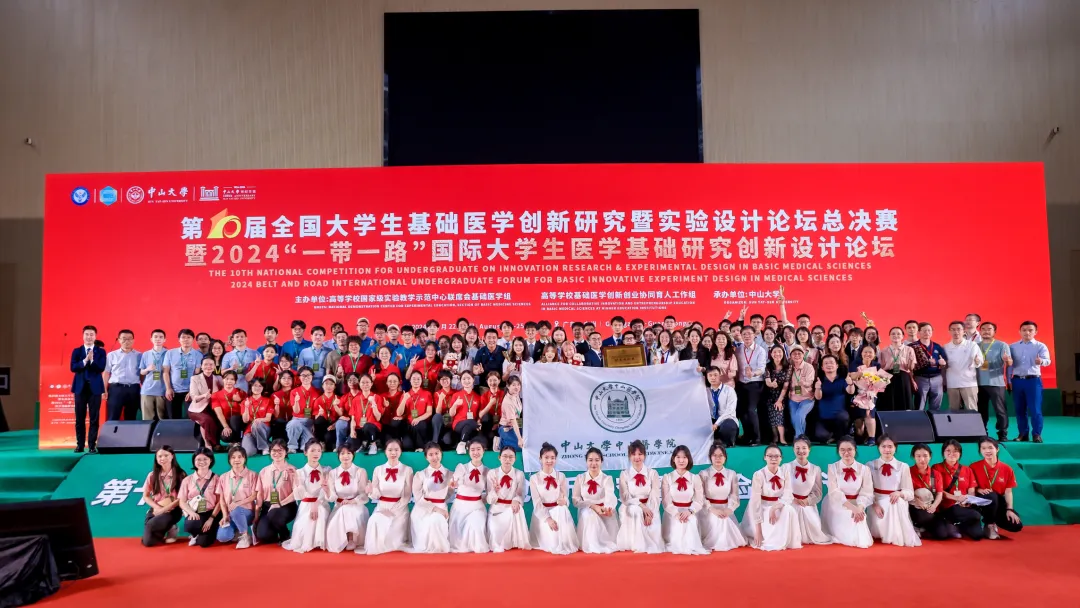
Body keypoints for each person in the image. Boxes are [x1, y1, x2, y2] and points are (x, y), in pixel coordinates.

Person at [741, 444, 801, 551]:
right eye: (770, 456)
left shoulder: (785, 472)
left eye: (777, 456)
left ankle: (786, 540)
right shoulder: (758, 475)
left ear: (781, 458)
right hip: (762, 507)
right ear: (765, 457)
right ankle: (770, 537)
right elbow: (755, 502)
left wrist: (775, 507)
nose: (773, 459)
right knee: (766, 536)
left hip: (778, 505)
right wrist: (758, 531)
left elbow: (788, 494)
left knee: (789, 509)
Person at [866, 435, 920, 547]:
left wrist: (899, 493)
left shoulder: (903, 466)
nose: (887, 449)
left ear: (895, 448)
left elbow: (910, 493)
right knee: (893, 503)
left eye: (890, 446)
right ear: (878, 448)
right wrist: (874, 505)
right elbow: (867, 491)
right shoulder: (870, 465)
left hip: (895, 501)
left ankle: (897, 536)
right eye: (883, 446)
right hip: (876, 502)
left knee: (896, 502)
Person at [821, 437, 874, 548]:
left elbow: (867, 492)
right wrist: (852, 508)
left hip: (857, 503)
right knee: (849, 521)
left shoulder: (865, 469)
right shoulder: (832, 467)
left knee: (859, 522)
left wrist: (859, 508)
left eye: (849, 449)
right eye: (842, 450)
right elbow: (834, 492)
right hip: (837, 504)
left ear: (855, 450)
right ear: (838, 451)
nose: (846, 453)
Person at [365, 438, 413, 555]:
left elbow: (407, 496)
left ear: (401, 451)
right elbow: (376, 494)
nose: (393, 453)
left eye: (396, 450)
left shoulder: (407, 470)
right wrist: (370, 491)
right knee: (375, 521)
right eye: (390, 450)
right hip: (382, 507)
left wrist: (393, 510)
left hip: (400, 509)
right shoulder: (378, 469)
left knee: (393, 542)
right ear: (385, 452)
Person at [529, 442, 579, 554]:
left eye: (552, 458)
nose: (549, 460)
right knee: (552, 543)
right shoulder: (534, 478)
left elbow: (565, 497)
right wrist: (548, 519)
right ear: (540, 459)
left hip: (559, 513)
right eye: (546, 457)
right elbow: (537, 502)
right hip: (543, 515)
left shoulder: (561, 476)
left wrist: (564, 501)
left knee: (561, 510)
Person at [282, 439, 331, 553]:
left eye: (318, 450)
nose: (316, 453)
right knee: (307, 519)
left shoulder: (327, 470)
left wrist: (316, 503)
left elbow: (327, 491)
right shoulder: (299, 472)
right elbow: (299, 495)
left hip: (322, 503)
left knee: (321, 512)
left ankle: (320, 541)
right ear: (305, 452)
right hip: (305, 505)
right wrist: (297, 479)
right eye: (312, 450)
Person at [782, 436, 831, 545]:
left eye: (804, 448)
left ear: (809, 449)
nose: (801, 451)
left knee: (815, 531)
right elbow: (781, 489)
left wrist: (807, 501)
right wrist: (792, 499)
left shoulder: (815, 469)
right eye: (797, 448)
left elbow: (818, 492)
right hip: (790, 504)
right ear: (793, 449)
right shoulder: (786, 467)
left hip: (807, 505)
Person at [697, 443, 746, 552]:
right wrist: (712, 509)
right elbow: (700, 496)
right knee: (719, 520)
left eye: (721, 455)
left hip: (725, 509)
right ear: (710, 457)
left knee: (724, 518)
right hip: (708, 510)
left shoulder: (731, 474)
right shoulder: (703, 474)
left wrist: (730, 509)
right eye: (715, 455)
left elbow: (734, 495)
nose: (718, 458)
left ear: (725, 457)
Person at [972, 437, 1024, 539]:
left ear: (997, 449)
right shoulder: (974, 467)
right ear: (980, 451)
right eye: (983, 448)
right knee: (991, 496)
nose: (987, 451)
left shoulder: (1007, 469)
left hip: (998, 501)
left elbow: (1008, 492)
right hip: (979, 501)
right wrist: (979, 490)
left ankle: (994, 520)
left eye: (990, 448)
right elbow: (970, 488)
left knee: (1016, 525)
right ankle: (989, 525)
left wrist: (1010, 509)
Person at [661, 445, 709, 554]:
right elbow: (666, 501)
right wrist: (676, 514)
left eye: (684, 457)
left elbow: (699, 500)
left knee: (690, 521)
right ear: (673, 459)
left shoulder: (695, 478)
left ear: (689, 459)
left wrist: (690, 511)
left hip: (690, 511)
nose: (681, 460)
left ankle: (690, 545)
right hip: (672, 513)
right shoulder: (667, 478)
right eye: (678, 457)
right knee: (678, 523)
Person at [933, 440, 983, 539]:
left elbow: (971, 490)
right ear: (943, 453)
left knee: (978, 535)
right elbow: (938, 491)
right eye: (948, 450)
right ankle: (948, 522)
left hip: (964, 505)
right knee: (976, 515)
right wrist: (956, 498)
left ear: (960, 453)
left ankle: (958, 526)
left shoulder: (967, 470)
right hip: (947, 506)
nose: (952, 453)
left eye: (955, 451)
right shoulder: (936, 468)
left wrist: (968, 500)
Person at [1009, 321, 1051, 442]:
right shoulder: (1013, 346)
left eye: (1030, 330)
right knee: (1019, 409)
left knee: (1035, 409)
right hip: (1017, 380)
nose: (1027, 332)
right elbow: (1010, 365)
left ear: (1035, 332)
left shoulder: (1040, 346)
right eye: (1024, 330)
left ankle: (1036, 434)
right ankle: (1023, 434)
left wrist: (1041, 361)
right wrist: (1009, 379)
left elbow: (1047, 361)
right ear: (1019, 331)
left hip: (1033, 380)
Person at [572, 448, 618, 554]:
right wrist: (592, 506)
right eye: (590, 460)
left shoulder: (607, 478)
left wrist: (608, 509)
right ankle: (592, 545)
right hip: (586, 510)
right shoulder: (580, 478)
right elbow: (576, 500)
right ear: (586, 461)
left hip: (603, 510)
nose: (594, 463)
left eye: (597, 460)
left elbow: (610, 496)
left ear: (601, 461)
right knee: (589, 514)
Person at [326, 443, 370, 553]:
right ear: (338, 455)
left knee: (347, 510)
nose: (345, 456)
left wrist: (352, 501)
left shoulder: (360, 471)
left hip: (356, 505)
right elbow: (332, 496)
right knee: (343, 510)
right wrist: (326, 490)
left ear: (353, 454)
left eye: (349, 453)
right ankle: (341, 539)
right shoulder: (332, 473)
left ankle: (351, 539)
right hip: (339, 506)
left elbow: (363, 495)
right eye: (342, 453)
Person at [486, 446, 530, 553]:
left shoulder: (519, 474)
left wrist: (516, 500)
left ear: (515, 459)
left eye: (511, 457)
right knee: (495, 536)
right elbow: (489, 499)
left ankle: (515, 542)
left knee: (518, 508)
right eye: (505, 456)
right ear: (499, 457)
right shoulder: (492, 473)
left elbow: (520, 494)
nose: (507, 460)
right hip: (496, 510)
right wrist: (495, 491)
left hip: (511, 508)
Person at [71, 325, 107, 453]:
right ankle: (80, 445)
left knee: (94, 418)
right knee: (79, 418)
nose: (89, 337)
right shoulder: (77, 351)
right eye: (87, 334)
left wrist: (92, 361)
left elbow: (101, 367)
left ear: (95, 336)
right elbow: (73, 367)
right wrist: (85, 360)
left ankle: (92, 445)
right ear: (83, 336)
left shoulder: (101, 352)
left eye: (92, 334)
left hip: (95, 388)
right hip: (80, 388)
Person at [449, 439, 489, 552]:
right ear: (468, 451)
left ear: (483, 450)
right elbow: (455, 480)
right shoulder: (462, 467)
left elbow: (489, 494)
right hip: (460, 507)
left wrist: (485, 498)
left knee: (476, 523)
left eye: (478, 449)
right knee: (458, 541)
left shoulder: (487, 471)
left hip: (477, 507)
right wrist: (454, 483)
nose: (476, 452)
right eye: (472, 450)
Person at [255, 439, 299, 545]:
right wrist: (256, 514)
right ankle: (274, 530)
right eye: (274, 450)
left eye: (280, 450)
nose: (277, 453)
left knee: (274, 514)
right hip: (267, 506)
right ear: (270, 452)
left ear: (286, 452)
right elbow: (260, 494)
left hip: (286, 505)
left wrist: (279, 504)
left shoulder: (292, 470)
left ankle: (285, 535)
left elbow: (296, 493)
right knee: (263, 535)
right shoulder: (264, 471)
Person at [141, 446, 185, 546]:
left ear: (172, 456)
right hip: (157, 508)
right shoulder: (152, 475)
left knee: (150, 524)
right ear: (156, 458)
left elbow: (182, 498)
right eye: (160, 456)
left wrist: (163, 510)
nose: (163, 458)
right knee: (148, 542)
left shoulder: (180, 474)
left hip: (174, 510)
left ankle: (171, 527)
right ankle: (166, 527)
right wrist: (157, 508)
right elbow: (146, 496)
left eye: (166, 455)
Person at [176, 447, 220, 547]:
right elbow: (182, 501)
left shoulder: (217, 478)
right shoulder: (187, 480)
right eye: (198, 459)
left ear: (211, 460)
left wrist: (211, 518)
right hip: (195, 511)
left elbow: (219, 502)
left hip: (211, 513)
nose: (202, 462)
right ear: (194, 461)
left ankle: (209, 531)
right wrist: (191, 512)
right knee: (191, 524)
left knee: (204, 543)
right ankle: (195, 534)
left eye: (205, 459)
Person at [216, 445, 258, 549]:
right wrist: (225, 515)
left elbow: (254, 496)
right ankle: (238, 531)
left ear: (245, 458)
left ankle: (245, 536)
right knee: (222, 537)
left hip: (247, 513)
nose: (236, 460)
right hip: (230, 514)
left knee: (236, 510)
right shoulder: (223, 477)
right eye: (233, 457)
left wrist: (237, 503)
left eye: (240, 457)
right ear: (229, 460)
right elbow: (222, 500)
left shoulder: (253, 475)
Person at [976, 323, 1012, 441]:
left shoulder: (1002, 345)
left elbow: (1009, 362)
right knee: (981, 411)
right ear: (980, 331)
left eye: (989, 329)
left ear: (994, 331)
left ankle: (1002, 433)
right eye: (983, 329)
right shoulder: (976, 345)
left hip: (996, 383)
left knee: (1000, 410)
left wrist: (1007, 360)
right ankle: (982, 433)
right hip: (979, 383)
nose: (986, 331)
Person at [735, 326, 767, 446]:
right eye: (744, 334)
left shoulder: (760, 350)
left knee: (750, 409)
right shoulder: (738, 350)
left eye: (749, 333)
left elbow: (762, 369)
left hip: (755, 383)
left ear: (754, 335)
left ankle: (757, 438)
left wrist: (753, 373)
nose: (747, 336)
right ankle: (747, 436)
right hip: (741, 383)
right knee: (741, 411)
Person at [942, 320, 984, 411]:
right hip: (952, 382)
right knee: (954, 410)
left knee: (971, 409)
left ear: (964, 331)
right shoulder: (946, 347)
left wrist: (977, 361)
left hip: (969, 382)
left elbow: (980, 361)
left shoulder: (972, 345)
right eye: (953, 329)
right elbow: (944, 365)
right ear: (949, 331)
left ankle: (973, 421)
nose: (956, 332)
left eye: (958, 329)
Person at [908, 443, 947, 540]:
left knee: (942, 535)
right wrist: (917, 501)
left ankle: (924, 529)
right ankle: (915, 525)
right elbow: (905, 491)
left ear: (930, 456)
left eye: (925, 456)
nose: (922, 459)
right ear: (913, 457)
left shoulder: (936, 474)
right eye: (918, 456)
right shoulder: (908, 472)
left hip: (931, 507)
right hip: (915, 507)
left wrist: (934, 506)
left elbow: (939, 493)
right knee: (925, 517)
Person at [163, 329, 204, 420]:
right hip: (173, 391)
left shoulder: (198, 355)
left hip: (189, 391)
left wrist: (192, 391)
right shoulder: (170, 353)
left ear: (193, 339)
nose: (186, 339)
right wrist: (168, 388)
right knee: (172, 418)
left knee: (189, 418)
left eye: (189, 337)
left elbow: (198, 374)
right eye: (183, 337)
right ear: (179, 339)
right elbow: (166, 372)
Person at [848, 344, 883, 445]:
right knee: (859, 420)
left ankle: (872, 438)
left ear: (874, 354)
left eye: (870, 352)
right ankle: (860, 435)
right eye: (865, 352)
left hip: (872, 394)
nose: (868, 354)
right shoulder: (855, 363)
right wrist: (863, 374)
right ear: (861, 353)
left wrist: (873, 391)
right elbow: (851, 376)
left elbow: (881, 380)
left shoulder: (877, 365)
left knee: (869, 414)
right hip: (857, 393)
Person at [104, 329, 141, 421]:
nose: (127, 341)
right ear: (119, 340)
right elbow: (106, 372)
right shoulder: (111, 355)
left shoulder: (140, 355)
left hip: (133, 389)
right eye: (124, 338)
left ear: (133, 340)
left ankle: (130, 431)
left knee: (131, 418)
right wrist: (104, 389)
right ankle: (112, 431)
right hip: (116, 389)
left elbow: (142, 373)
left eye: (129, 339)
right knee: (113, 417)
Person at [188, 357, 223, 451]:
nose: (208, 366)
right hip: (197, 409)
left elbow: (224, 390)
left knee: (219, 418)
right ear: (201, 366)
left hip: (213, 407)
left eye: (211, 364)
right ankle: (208, 443)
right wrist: (204, 396)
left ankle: (217, 443)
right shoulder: (195, 378)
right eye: (206, 364)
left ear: (214, 366)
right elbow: (194, 397)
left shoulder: (218, 378)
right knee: (206, 420)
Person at [813, 355, 850, 444]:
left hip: (839, 416)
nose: (829, 365)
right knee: (821, 436)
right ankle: (832, 436)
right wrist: (818, 388)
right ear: (822, 367)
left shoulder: (842, 380)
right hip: (824, 418)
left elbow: (850, 391)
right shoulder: (819, 381)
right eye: (826, 363)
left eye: (831, 363)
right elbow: (818, 397)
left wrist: (851, 384)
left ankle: (839, 436)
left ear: (837, 366)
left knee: (843, 417)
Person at [877, 327, 916, 411]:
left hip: (903, 377)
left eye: (898, 334)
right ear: (889, 336)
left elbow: (911, 369)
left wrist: (911, 365)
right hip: (887, 377)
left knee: (904, 401)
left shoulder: (909, 349)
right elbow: (881, 368)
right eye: (893, 334)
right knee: (888, 402)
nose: (896, 335)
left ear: (902, 336)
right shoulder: (883, 351)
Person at [913, 323, 948, 411]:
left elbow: (944, 360)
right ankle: (919, 420)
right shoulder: (913, 346)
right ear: (919, 332)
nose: (927, 332)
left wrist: (943, 363)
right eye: (924, 330)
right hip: (920, 378)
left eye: (929, 330)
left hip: (936, 378)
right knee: (920, 405)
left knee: (936, 405)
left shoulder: (937, 346)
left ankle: (934, 419)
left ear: (932, 332)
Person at [286, 367, 321, 453]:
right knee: (293, 424)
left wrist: (314, 423)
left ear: (312, 376)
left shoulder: (318, 392)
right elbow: (296, 411)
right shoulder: (294, 392)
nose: (306, 377)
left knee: (307, 447)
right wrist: (296, 401)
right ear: (299, 377)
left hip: (310, 420)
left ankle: (303, 445)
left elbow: (317, 410)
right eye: (303, 375)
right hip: (297, 419)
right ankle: (292, 447)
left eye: (308, 375)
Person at [138, 329, 170, 421]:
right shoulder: (146, 354)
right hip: (147, 391)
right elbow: (142, 372)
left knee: (162, 419)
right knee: (147, 420)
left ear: (164, 339)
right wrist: (147, 369)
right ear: (151, 339)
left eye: (161, 337)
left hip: (163, 390)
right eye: (155, 337)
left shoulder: (169, 353)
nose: (158, 339)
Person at [348, 374, 384, 455]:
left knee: (367, 426)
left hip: (372, 428)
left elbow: (378, 418)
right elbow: (353, 419)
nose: (365, 384)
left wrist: (373, 403)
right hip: (359, 429)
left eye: (367, 382)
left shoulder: (377, 397)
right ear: (359, 384)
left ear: (371, 384)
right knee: (351, 446)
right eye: (363, 382)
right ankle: (364, 444)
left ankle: (373, 444)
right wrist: (352, 430)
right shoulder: (355, 399)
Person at [448, 371, 482, 453]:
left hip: (472, 425)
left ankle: (463, 443)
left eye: (469, 378)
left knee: (472, 425)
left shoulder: (478, 397)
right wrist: (455, 404)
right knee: (470, 422)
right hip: (458, 424)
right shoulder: (456, 395)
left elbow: (479, 415)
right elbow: (451, 414)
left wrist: (479, 422)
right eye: (464, 379)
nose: (466, 381)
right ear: (460, 381)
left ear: (473, 380)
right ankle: (463, 443)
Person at [763, 345, 790, 445]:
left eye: (779, 351)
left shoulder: (788, 366)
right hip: (770, 395)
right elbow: (767, 380)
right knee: (771, 415)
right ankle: (775, 437)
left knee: (779, 413)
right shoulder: (768, 366)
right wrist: (771, 384)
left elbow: (786, 385)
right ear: (771, 354)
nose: (777, 354)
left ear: (783, 353)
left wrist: (779, 400)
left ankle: (782, 438)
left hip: (783, 395)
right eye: (774, 352)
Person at [787, 346, 815, 438]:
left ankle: (798, 438)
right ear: (791, 356)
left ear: (803, 355)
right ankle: (802, 437)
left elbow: (810, 382)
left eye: (799, 353)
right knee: (794, 419)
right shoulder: (789, 367)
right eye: (794, 354)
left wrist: (803, 383)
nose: (797, 355)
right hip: (793, 398)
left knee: (799, 415)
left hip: (807, 398)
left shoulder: (809, 367)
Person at [211, 371, 247, 444]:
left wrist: (240, 401)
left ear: (235, 381)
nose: (229, 381)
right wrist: (226, 426)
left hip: (239, 422)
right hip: (224, 422)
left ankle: (237, 442)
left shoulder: (241, 393)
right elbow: (219, 413)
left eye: (232, 379)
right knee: (226, 437)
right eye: (227, 379)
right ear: (223, 380)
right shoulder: (216, 395)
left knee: (234, 418)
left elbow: (247, 409)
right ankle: (234, 442)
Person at [706, 367, 738, 447]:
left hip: (727, 419)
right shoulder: (706, 392)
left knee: (727, 426)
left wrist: (717, 423)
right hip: (712, 420)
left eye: (715, 375)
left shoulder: (729, 390)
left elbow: (730, 411)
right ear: (707, 377)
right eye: (710, 375)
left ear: (720, 375)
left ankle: (728, 441)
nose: (713, 378)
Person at [402, 370, 435, 449]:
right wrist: (404, 399)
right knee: (407, 446)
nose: (416, 381)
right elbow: (399, 413)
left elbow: (429, 412)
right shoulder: (406, 394)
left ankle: (421, 447)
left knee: (419, 425)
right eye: (413, 379)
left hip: (422, 424)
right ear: (410, 380)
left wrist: (418, 419)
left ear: (421, 380)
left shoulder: (427, 394)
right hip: (409, 425)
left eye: (418, 379)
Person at [497, 376, 524, 452]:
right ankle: (500, 442)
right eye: (513, 385)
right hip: (506, 427)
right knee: (520, 447)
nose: (517, 387)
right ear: (508, 386)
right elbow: (513, 422)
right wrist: (519, 439)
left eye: (518, 385)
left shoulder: (516, 394)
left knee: (528, 440)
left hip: (517, 424)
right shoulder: (508, 402)